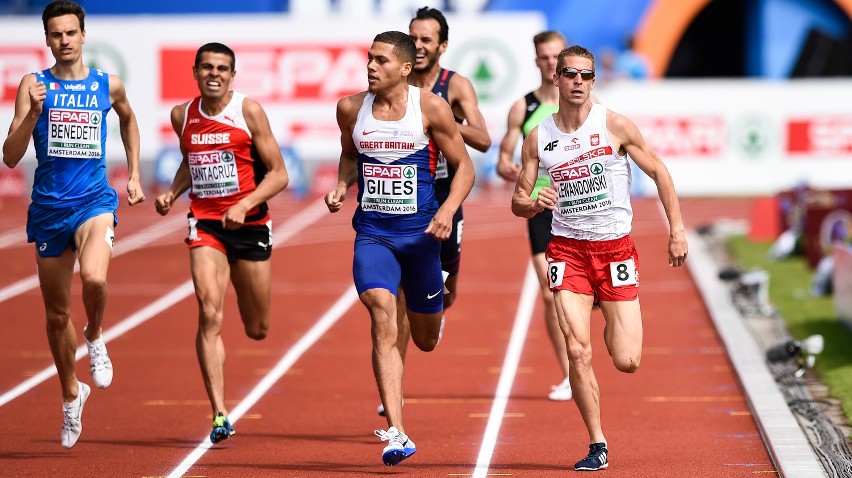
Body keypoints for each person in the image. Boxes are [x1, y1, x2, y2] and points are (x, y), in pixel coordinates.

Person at [510, 45, 687, 471]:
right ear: (557, 77)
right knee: (577, 350)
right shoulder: (540, 137)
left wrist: (676, 231)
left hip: (614, 250)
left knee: (627, 360)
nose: (577, 81)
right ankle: (597, 441)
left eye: (586, 75)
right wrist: (535, 202)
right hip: (567, 251)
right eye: (570, 73)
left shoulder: (614, 125)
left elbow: (660, 172)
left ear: (593, 81)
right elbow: (518, 199)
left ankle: (611, 316)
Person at [325, 31, 474, 466]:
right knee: (380, 312)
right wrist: (341, 183)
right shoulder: (351, 108)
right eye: (368, 59)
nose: (370, 67)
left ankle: (433, 315)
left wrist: (447, 210)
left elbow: (464, 166)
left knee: (424, 339)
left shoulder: (430, 107)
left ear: (405, 69)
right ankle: (397, 431)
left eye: (381, 61)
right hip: (373, 234)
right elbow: (350, 157)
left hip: (422, 238)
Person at [2, 0, 145, 449]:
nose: (64, 40)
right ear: (47, 39)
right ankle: (70, 392)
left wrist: (135, 173)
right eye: (56, 34)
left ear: (84, 36)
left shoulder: (108, 84)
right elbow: (9, 156)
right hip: (48, 209)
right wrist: (31, 114)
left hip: (94, 201)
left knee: (97, 278)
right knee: (56, 313)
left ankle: (97, 335)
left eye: (71, 32)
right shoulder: (34, 85)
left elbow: (129, 119)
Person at [154, 42, 289, 444]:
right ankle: (219, 413)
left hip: (250, 226)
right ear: (195, 72)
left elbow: (279, 174)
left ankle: (224, 399)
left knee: (257, 327)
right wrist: (173, 193)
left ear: (232, 75)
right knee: (209, 313)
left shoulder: (248, 112)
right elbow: (189, 163)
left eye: (223, 69)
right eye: (207, 67)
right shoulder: (183, 115)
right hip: (206, 225)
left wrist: (246, 204)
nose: (215, 74)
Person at [369, 6, 491, 418]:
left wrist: (441, 120)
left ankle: (436, 304)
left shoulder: (453, 85)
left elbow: (484, 140)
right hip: (403, 203)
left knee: (444, 292)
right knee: (397, 296)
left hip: (443, 193)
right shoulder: (388, 85)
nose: (419, 46)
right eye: (414, 38)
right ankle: (395, 391)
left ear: (442, 45)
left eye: (427, 40)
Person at [496, 31, 573, 402]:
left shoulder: (583, 104)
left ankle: (582, 353)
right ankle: (571, 372)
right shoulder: (523, 108)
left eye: (556, 55)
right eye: (544, 57)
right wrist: (508, 168)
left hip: (579, 204)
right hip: (541, 206)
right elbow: (502, 157)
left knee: (581, 291)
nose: (549, 62)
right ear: (537, 61)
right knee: (549, 291)